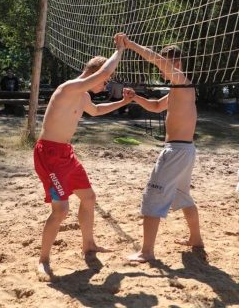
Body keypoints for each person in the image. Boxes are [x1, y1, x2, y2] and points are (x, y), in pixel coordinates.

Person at [34, 34, 133, 281]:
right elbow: (101, 75)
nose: (105, 84)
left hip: (66, 154)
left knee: (88, 198)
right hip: (49, 155)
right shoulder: (68, 88)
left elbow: (96, 111)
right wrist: (119, 51)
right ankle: (43, 261)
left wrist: (122, 102)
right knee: (61, 210)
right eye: (106, 79)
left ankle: (88, 245)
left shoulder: (84, 96)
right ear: (95, 73)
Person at [120, 34, 204, 263]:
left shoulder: (183, 81)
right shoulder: (177, 88)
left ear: (175, 63)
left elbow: (157, 61)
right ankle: (196, 240)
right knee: (183, 196)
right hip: (184, 150)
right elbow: (157, 107)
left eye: (166, 63)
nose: (161, 68)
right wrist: (135, 97)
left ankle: (146, 252)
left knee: (152, 197)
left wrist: (130, 44)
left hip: (176, 151)